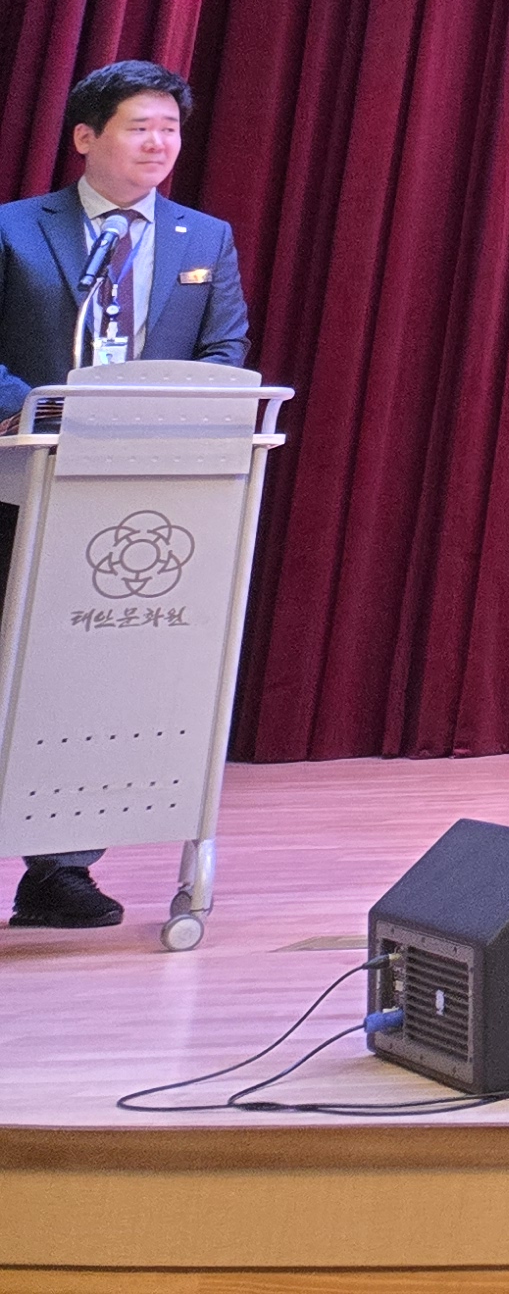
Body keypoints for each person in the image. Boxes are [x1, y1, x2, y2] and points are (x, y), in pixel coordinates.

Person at [0, 59, 251, 932]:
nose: (159, 144)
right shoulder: (15, 229)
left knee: (95, 673)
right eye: (140, 127)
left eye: (170, 129)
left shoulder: (202, 239)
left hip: (142, 494)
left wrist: (161, 422)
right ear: (85, 137)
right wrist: (42, 411)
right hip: (22, 481)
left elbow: (223, 353)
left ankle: (60, 870)